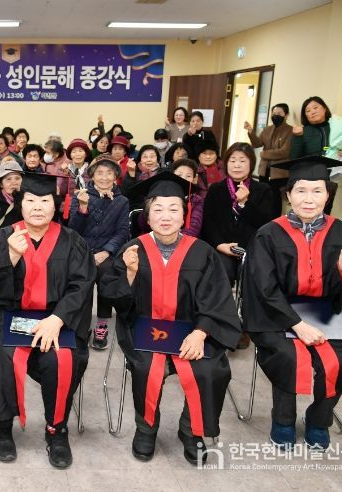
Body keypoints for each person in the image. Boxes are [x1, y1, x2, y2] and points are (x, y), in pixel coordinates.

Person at [100, 172, 241, 465]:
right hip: (143, 327)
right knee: (145, 366)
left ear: (184, 214)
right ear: (147, 216)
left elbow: (217, 299)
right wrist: (129, 274)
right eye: (158, 210)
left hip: (193, 329)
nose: (166, 217)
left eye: (174, 209)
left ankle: (191, 429)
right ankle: (146, 428)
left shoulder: (202, 252)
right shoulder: (133, 249)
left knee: (211, 369)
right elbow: (114, 297)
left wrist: (201, 333)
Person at [242, 156, 342, 450]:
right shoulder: (268, 234)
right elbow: (263, 287)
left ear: (328, 195)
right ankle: (283, 420)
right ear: (288, 195)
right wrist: (298, 325)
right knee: (287, 355)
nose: (309, 199)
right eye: (301, 190)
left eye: (317, 191)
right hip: (276, 312)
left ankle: (319, 419)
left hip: (329, 311)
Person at [0, 172, 96, 469]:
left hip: (56, 319)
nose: (37, 207)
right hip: (9, 315)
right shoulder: (6, 235)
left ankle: (57, 429)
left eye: (44, 200)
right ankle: (2, 426)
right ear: (20, 204)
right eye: (30, 200)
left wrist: (58, 318)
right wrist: (11, 256)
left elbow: (81, 285)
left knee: (62, 358)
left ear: (56, 205)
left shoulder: (72, 241)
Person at [68, 154, 130, 350]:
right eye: (100, 173)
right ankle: (82, 324)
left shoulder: (122, 201)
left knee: (107, 276)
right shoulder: (81, 196)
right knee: (82, 281)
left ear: (115, 176)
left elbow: (122, 232)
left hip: (106, 251)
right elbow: (73, 230)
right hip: (82, 250)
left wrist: (107, 251)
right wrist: (83, 207)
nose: (104, 177)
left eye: (109, 173)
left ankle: (101, 325)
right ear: (92, 176)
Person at [201, 142, 274, 287]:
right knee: (221, 270)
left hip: (252, 249)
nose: (237, 165)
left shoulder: (263, 190)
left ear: (251, 164)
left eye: (242, 161)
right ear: (226, 163)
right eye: (232, 160)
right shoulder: (215, 189)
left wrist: (245, 203)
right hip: (222, 247)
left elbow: (266, 224)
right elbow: (208, 223)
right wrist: (220, 245)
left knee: (252, 274)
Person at [245, 103, 293, 217]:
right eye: (273, 113)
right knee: (263, 197)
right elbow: (257, 143)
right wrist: (251, 132)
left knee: (276, 201)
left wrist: (264, 154)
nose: (275, 115)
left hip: (279, 173)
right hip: (264, 171)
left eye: (279, 113)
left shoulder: (290, 130)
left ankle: (274, 223)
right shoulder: (267, 129)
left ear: (286, 115)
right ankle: (262, 221)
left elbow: (285, 151)